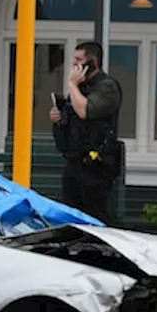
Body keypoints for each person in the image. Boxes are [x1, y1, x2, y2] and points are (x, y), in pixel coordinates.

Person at [48, 41, 124, 223]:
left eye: (79, 60)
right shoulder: (80, 89)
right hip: (75, 162)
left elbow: (84, 111)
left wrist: (72, 85)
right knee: (71, 214)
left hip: (97, 165)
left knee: (95, 215)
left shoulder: (107, 87)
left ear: (93, 62)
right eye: (73, 59)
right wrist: (59, 119)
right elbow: (72, 119)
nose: (74, 65)